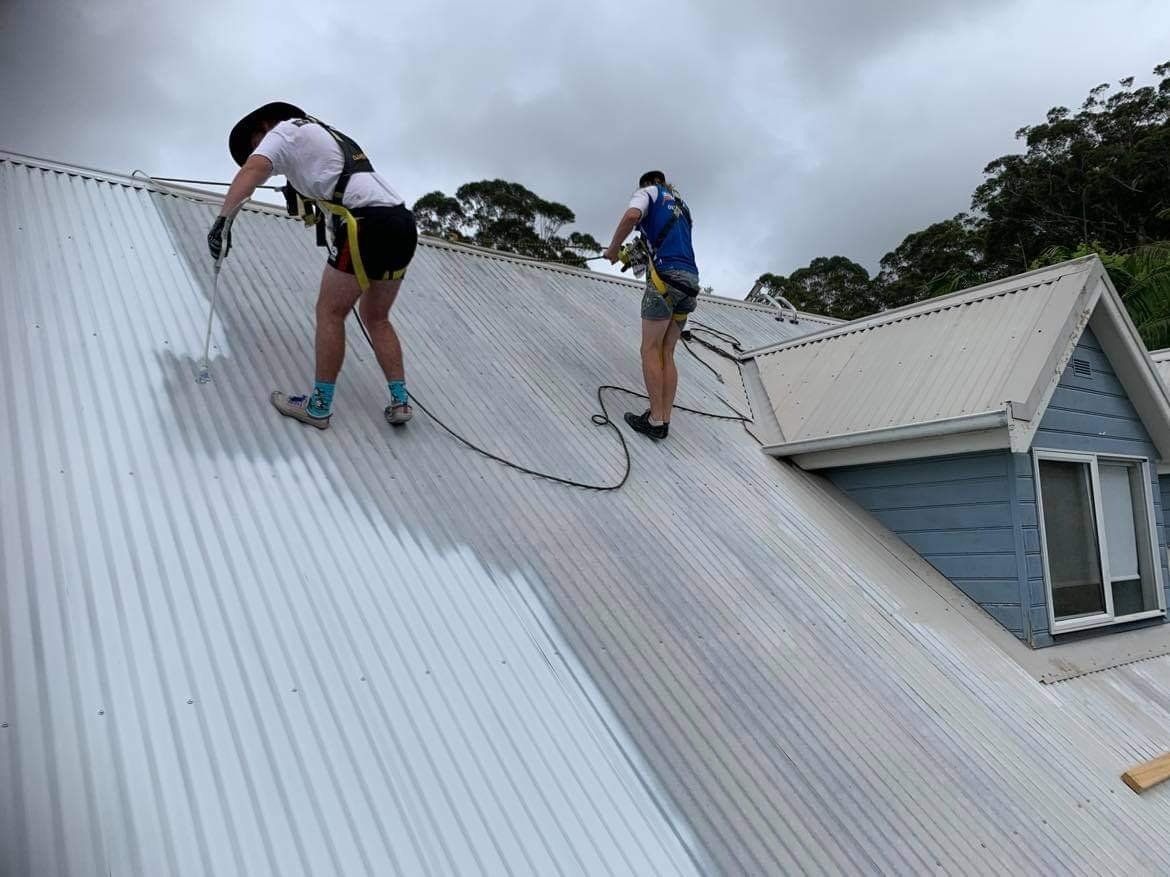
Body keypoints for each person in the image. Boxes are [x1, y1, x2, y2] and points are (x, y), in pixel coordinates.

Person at [208, 101, 418, 430]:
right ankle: (400, 400)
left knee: (329, 312)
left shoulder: (281, 131)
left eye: (254, 144)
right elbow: (330, 182)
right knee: (376, 317)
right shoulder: (322, 134)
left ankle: (319, 408)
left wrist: (223, 220)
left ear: (264, 127)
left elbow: (253, 170)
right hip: (401, 222)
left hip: (366, 224)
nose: (258, 150)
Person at [603, 170, 699, 441]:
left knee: (650, 349)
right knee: (667, 351)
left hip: (665, 279)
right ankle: (663, 418)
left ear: (647, 184)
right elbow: (660, 242)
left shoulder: (648, 192)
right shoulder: (682, 207)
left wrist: (613, 249)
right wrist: (630, 254)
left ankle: (655, 420)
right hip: (690, 281)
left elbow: (632, 216)